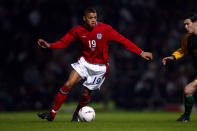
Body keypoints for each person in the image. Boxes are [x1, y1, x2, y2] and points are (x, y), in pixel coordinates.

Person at [37, 7, 153, 122]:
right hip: (84, 63)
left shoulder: (105, 29)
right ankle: (52, 114)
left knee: (86, 93)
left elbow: (123, 40)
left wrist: (141, 52)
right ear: (84, 18)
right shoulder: (77, 31)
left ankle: (77, 114)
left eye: (95, 17)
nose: (93, 20)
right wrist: (49, 45)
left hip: (100, 68)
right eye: (90, 18)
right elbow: (63, 43)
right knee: (68, 84)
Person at [162, 13, 197, 122]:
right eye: (184, 25)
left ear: (196, 23)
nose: (185, 27)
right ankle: (186, 117)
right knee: (188, 90)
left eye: (188, 24)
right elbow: (183, 50)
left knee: (188, 89)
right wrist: (172, 57)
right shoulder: (188, 38)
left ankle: (186, 117)